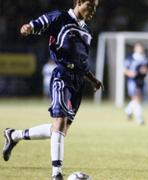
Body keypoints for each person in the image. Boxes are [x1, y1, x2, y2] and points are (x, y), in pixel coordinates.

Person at [2, 0, 103, 179]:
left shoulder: (87, 31)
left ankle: (14, 135)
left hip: (77, 82)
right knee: (59, 123)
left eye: (96, 6)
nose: (93, 10)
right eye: (90, 5)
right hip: (62, 76)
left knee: (60, 130)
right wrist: (28, 28)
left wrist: (92, 79)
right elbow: (38, 24)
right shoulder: (60, 18)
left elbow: (81, 61)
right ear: (78, 2)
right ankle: (56, 174)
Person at [124, 42, 148, 125]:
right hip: (133, 81)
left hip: (141, 81)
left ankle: (128, 110)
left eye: (141, 48)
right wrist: (130, 73)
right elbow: (124, 70)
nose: (140, 49)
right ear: (135, 48)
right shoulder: (130, 58)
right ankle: (139, 119)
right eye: (138, 47)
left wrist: (145, 71)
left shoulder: (145, 59)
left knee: (136, 100)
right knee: (136, 99)